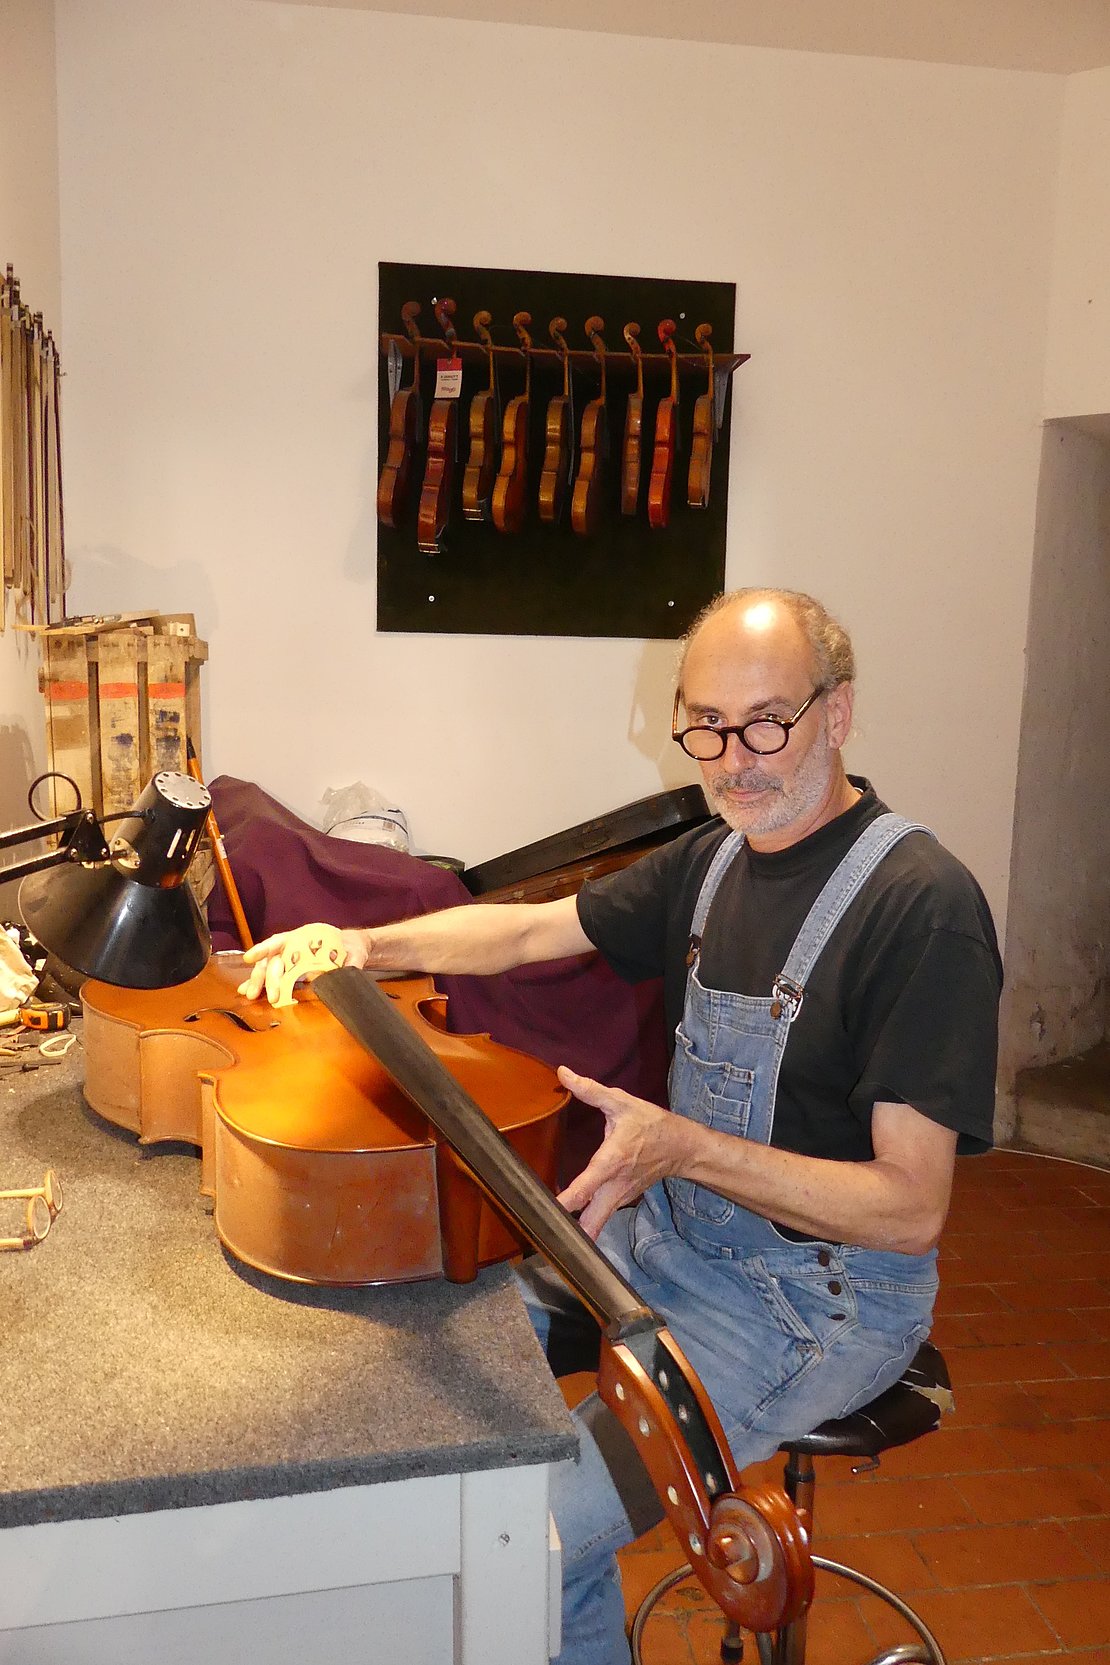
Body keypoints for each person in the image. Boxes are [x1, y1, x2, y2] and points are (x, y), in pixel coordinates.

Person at [240, 588, 1002, 1665]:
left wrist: (684, 1147)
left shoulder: (920, 908)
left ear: (838, 715)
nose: (735, 760)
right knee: (427, 1343)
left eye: (767, 723)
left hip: (812, 1307)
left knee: (529, 1540)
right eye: (705, 726)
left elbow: (910, 1208)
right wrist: (361, 946)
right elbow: (523, 933)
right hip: (670, 1246)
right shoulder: (717, 860)